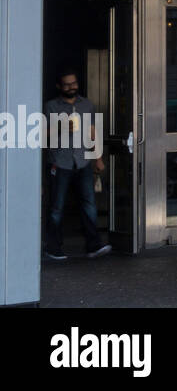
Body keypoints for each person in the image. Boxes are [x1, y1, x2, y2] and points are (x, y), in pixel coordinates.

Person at [44, 70, 109, 261]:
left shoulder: (86, 104)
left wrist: (97, 157)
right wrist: (61, 127)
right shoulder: (52, 106)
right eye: (66, 84)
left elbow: (92, 132)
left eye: (74, 83)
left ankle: (93, 246)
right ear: (59, 86)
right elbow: (42, 133)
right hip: (60, 161)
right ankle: (53, 248)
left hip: (82, 160)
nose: (71, 87)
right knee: (57, 207)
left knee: (89, 204)